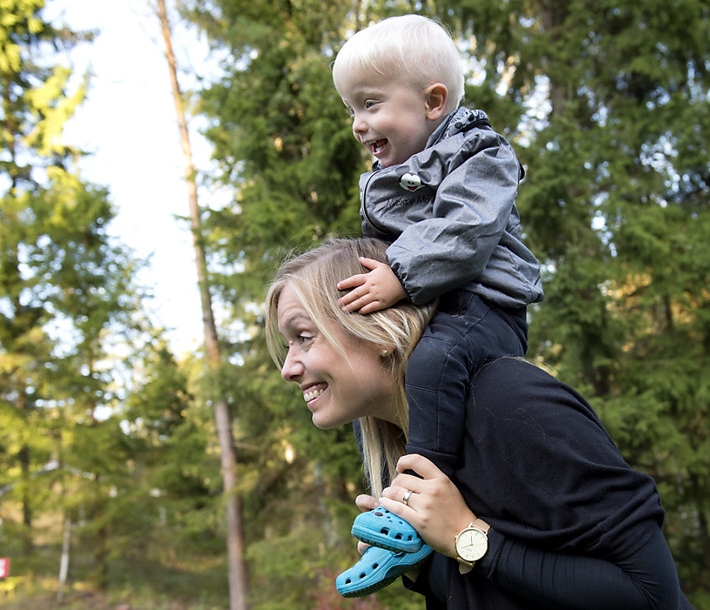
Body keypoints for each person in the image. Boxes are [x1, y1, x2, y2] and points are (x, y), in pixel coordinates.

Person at [265, 238, 693, 609]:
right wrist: (420, 559)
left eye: (304, 336)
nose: (287, 368)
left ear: (377, 326)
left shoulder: (508, 401)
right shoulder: (393, 442)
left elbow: (651, 595)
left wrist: (465, 535)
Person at [331, 14, 544, 481]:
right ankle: (386, 488)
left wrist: (399, 274)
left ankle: (421, 489)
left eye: (369, 104)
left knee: (435, 361)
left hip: (485, 306)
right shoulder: (387, 180)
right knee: (366, 377)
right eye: (352, 111)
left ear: (432, 101)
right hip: (435, 309)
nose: (358, 125)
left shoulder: (481, 154)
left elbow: (466, 229)